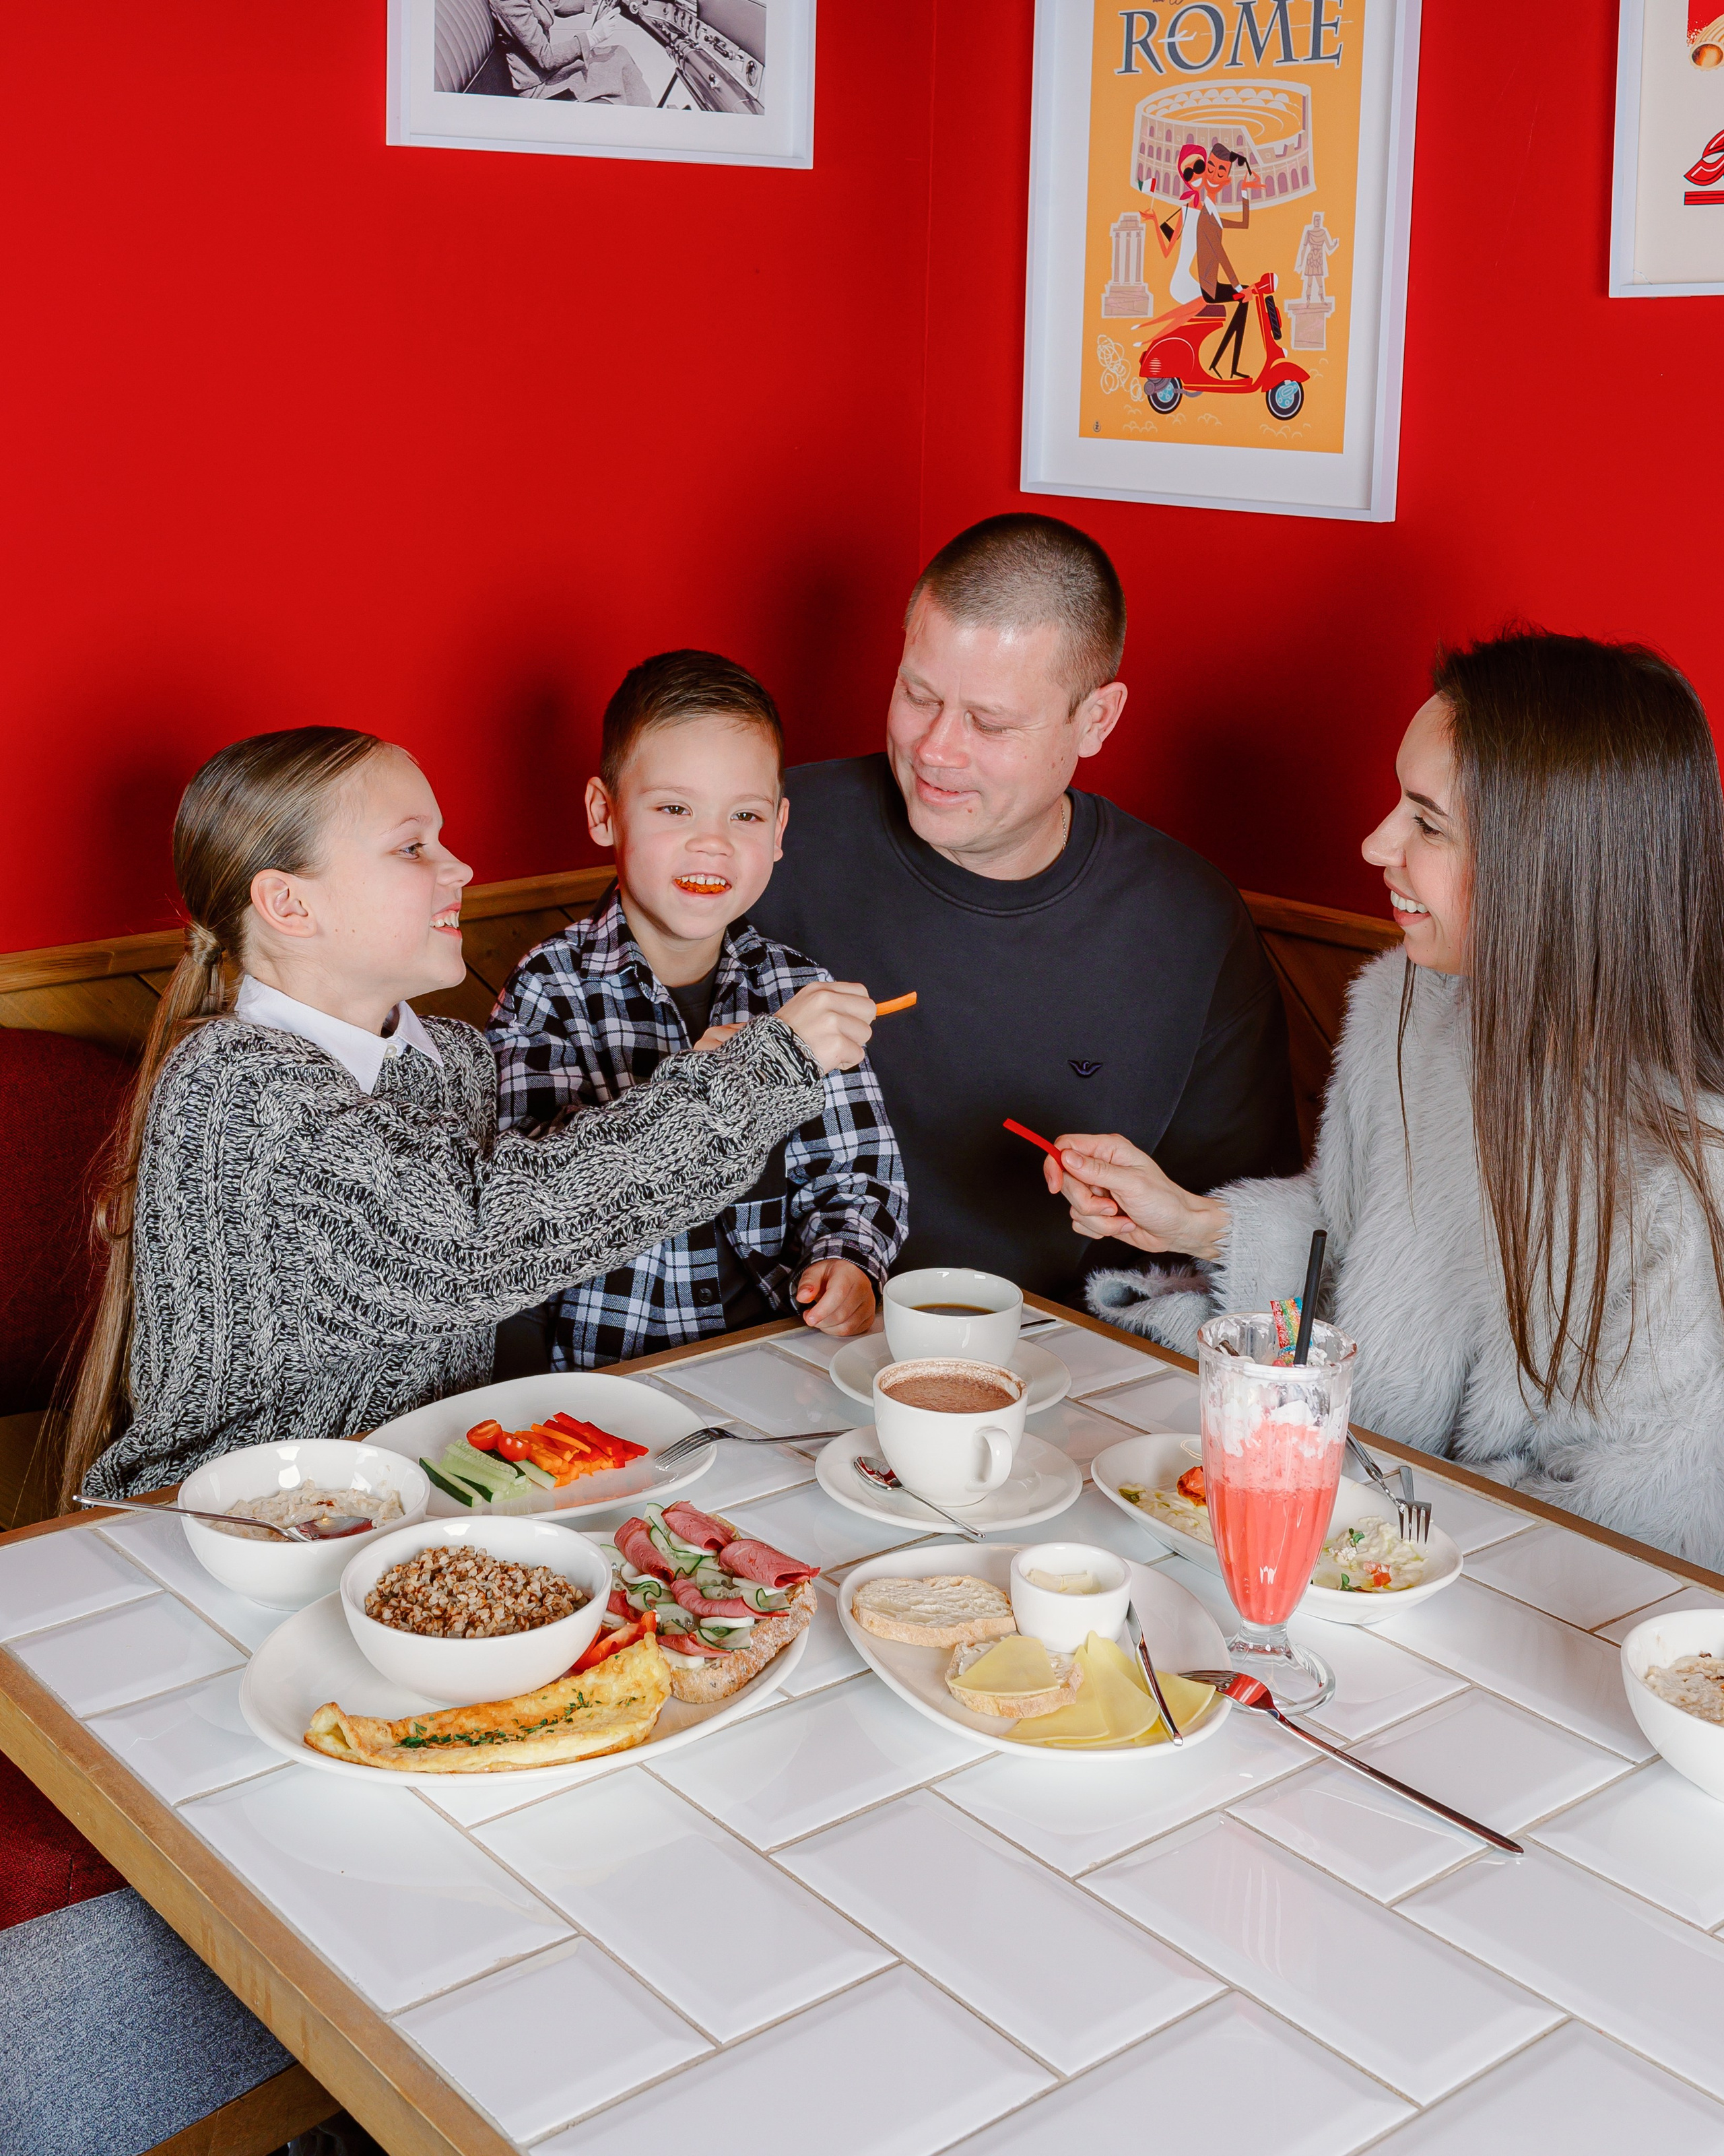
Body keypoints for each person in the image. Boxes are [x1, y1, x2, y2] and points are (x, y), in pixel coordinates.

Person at [1052, 629, 1724, 1569]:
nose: (1376, 843)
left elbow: (1629, 1532)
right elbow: (1357, 1243)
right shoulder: (1409, 1008)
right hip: (1361, 1527)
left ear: (1556, 867)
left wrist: (1365, 1535)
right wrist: (1197, 1225)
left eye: (1428, 822)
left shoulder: (1689, 1175)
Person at [64, 724, 871, 1505]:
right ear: (287, 903)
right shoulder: (236, 1086)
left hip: (403, 1509)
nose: (460, 867)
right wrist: (762, 1074)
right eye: (414, 847)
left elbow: (549, 1189)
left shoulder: (450, 1057)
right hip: (235, 1530)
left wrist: (706, 1075)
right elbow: (474, 1247)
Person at [748, 513, 1300, 1303]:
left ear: (1096, 721)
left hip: (1054, 1372)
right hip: (758, 1348)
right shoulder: (766, 833)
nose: (936, 748)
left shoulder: (1188, 924)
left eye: (990, 722)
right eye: (918, 694)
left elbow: (1235, 1246)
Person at [488, 650, 907, 1369]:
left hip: (777, 1361)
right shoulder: (548, 989)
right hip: (609, 1377)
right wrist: (703, 1087)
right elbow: (527, 1200)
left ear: (777, 831)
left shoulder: (800, 989)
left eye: (743, 814)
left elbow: (859, 1173)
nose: (711, 841)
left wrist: (851, 1265)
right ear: (604, 813)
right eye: (674, 808)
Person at [487, 0, 652, 102]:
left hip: (547, 72)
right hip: (538, 85)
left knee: (619, 54)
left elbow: (557, 3)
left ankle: (649, 119)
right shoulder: (507, 1)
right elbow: (547, 57)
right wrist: (593, 37)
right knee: (613, 69)